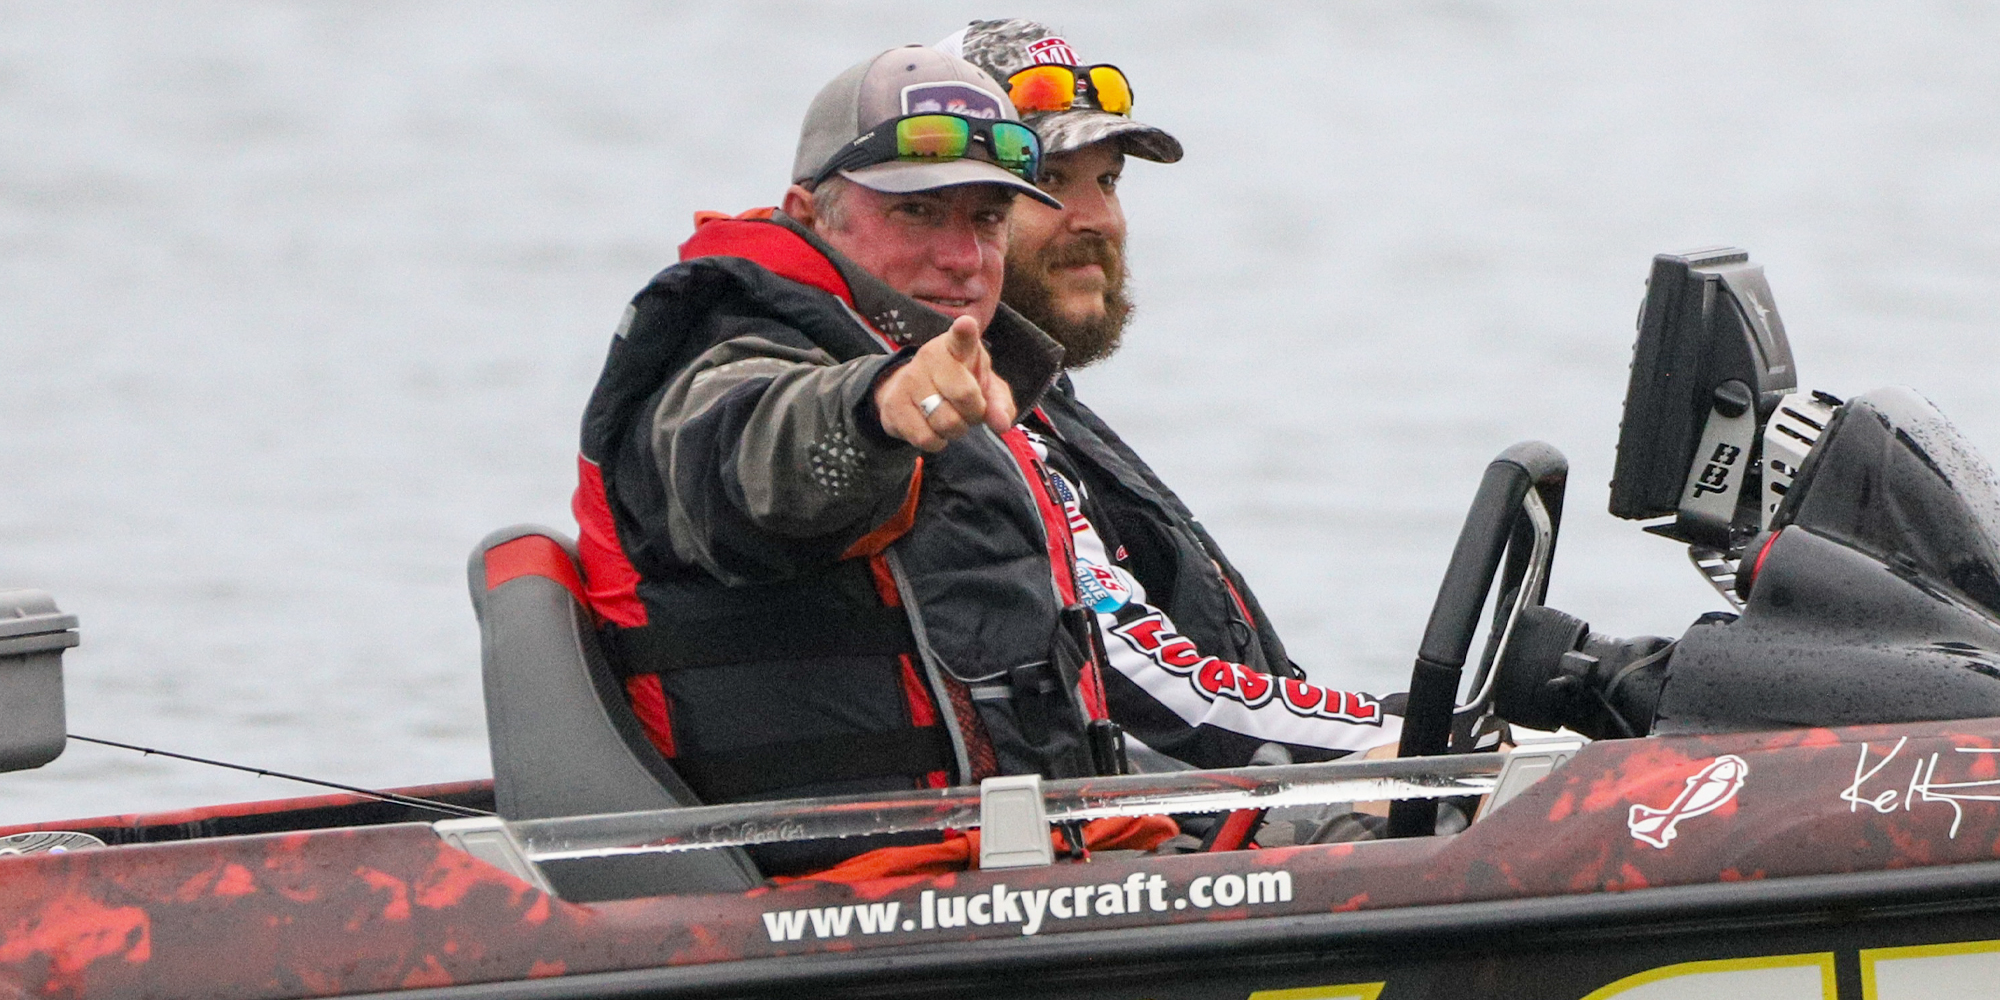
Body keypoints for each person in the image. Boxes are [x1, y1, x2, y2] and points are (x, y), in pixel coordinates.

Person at [571, 44, 1393, 876]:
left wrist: (1410, 743)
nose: (962, 257)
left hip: (1037, 860)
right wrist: (879, 410)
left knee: (1416, 826)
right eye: (918, 213)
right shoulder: (727, 356)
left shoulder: (987, 385)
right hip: (862, 903)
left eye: (987, 218)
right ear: (807, 214)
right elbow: (758, 456)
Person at [940, 20, 1402, 770]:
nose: (1098, 220)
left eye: (1108, 181)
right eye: (1049, 181)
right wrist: (1421, 747)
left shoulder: (1043, 404)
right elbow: (1159, 690)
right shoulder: (973, 423)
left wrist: (1418, 726)